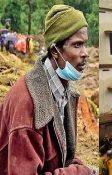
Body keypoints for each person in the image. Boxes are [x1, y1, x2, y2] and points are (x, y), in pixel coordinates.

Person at [0, 5, 95, 174]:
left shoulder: (65, 90)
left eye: (84, 44)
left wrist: (84, 167)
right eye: (77, 45)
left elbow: (61, 153)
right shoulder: (28, 106)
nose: (85, 53)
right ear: (55, 51)